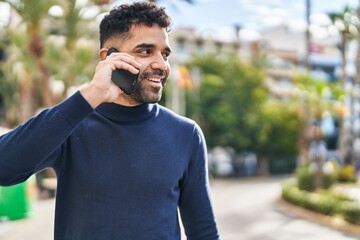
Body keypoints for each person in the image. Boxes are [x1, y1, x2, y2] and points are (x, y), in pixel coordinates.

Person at [0, 2, 219, 239]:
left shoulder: (186, 134)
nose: (161, 64)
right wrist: (92, 94)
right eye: (145, 51)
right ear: (108, 57)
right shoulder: (71, 125)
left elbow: (203, 231)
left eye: (164, 53)